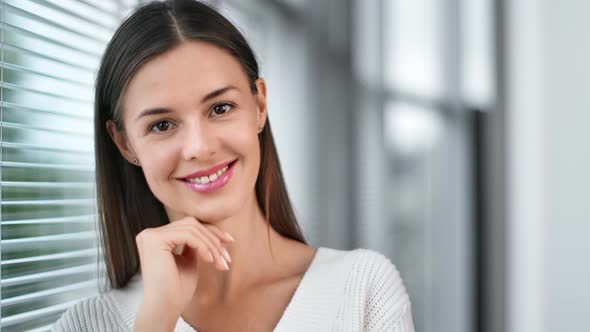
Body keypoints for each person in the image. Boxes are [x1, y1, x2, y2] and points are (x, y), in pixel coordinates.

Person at [50, 0, 414, 331]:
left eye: (220, 108)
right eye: (162, 125)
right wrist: (156, 321)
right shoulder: (89, 324)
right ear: (124, 142)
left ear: (259, 106)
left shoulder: (363, 290)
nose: (199, 147)